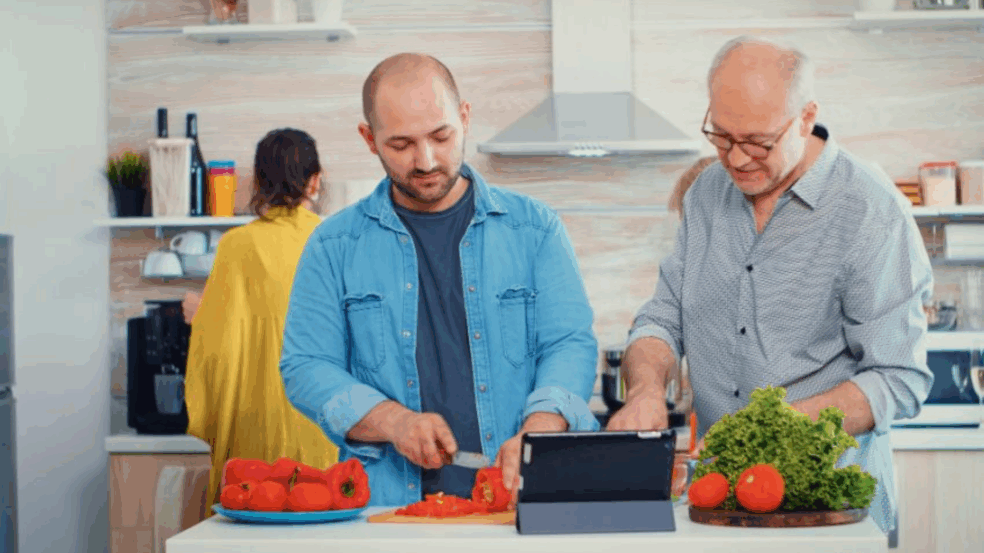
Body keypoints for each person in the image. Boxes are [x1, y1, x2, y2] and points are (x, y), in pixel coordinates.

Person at [606, 36, 934, 537]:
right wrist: (647, 390)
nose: (736, 159)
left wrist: (768, 432)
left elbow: (898, 377)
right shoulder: (704, 196)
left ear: (806, 117)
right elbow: (661, 320)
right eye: (720, 137)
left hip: (829, 514)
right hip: (720, 508)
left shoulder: (871, 210)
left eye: (757, 142)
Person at [279, 53, 600, 507]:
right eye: (401, 144)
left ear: (465, 118)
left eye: (441, 136)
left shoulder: (535, 229)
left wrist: (541, 429)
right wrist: (393, 421)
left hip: (519, 506)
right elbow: (307, 365)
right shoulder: (333, 245)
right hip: (391, 512)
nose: (426, 160)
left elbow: (568, 342)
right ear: (369, 139)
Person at [184, 128, 340, 514]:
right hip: (323, 425)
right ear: (315, 180)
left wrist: (197, 315)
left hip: (253, 430)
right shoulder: (333, 241)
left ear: (257, 182)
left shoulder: (236, 247)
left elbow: (217, 350)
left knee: (253, 526)